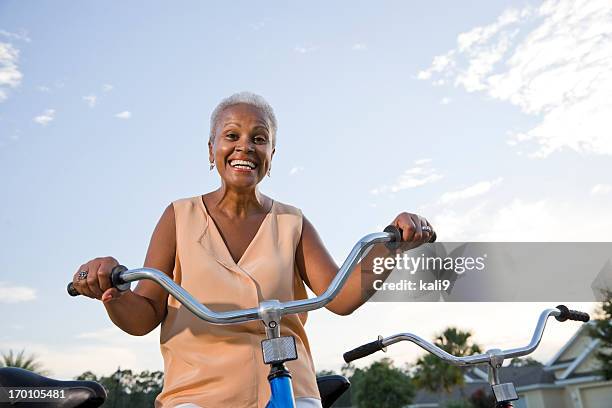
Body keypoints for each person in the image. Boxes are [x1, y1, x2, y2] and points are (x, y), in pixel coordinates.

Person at [72, 92, 435, 408]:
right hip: (196, 393)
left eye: (259, 139)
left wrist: (394, 248)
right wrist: (115, 294)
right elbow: (146, 314)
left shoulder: (292, 222)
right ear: (212, 149)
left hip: (289, 385)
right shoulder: (178, 217)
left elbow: (337, 297)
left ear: (271, 154)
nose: (245, 146)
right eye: (232, 135)